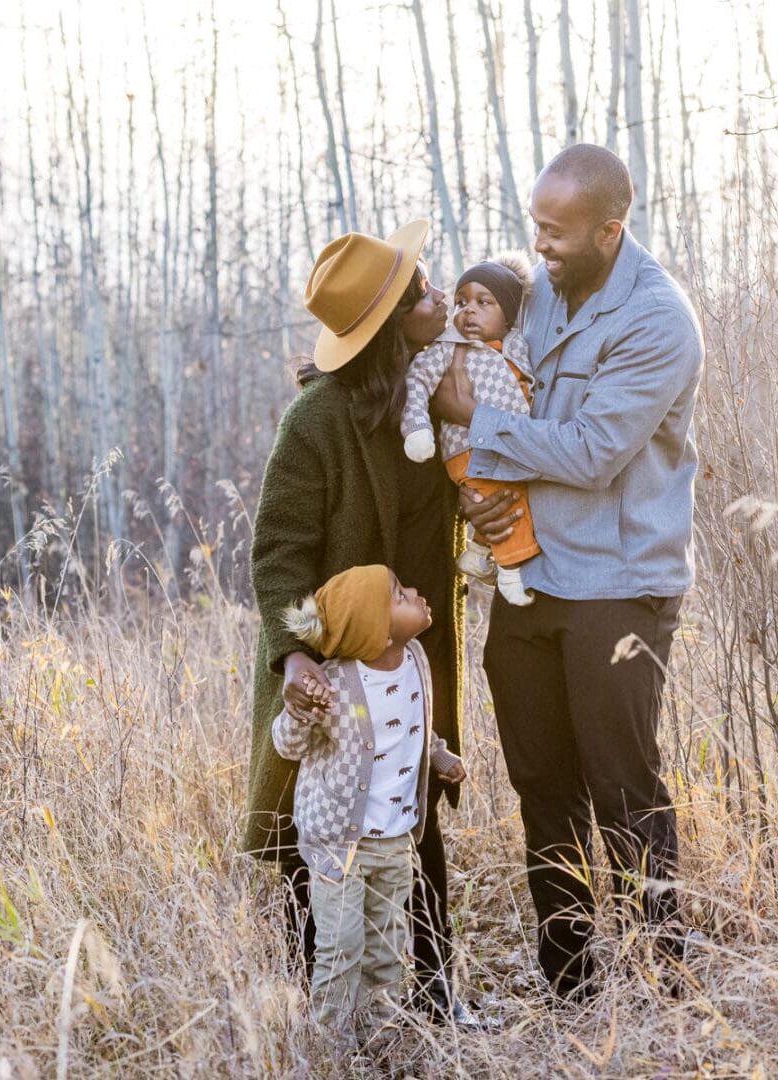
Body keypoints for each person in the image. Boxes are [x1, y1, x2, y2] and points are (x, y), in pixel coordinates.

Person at [433, 144, 705, 1000]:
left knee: (621, 788)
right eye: (536, 227)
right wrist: (482, 498)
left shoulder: (659, 322)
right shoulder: (540, 295)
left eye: (556, 232)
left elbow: (590, 453)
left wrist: (477, 425)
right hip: (531, 577)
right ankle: (573, 985)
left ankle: (661, 987)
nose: (539, 247)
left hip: (617, 587)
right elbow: (516, 394)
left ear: (610, 230)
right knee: (541, 787)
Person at [245, 222, 483, 1026]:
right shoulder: (316, 422)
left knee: (411, 821)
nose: (437, 293)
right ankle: (323, 1021)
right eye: (420, 290)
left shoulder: (434, 390)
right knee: (323, 828)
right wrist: (293, 662)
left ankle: (431, 1004)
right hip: (334, 667)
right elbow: (278, 554)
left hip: (416, 658)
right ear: (389, 323)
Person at [271, 564, 466, 1038]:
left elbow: (412, 726)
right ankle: (331, 1047)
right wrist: (302, 713)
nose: (416, 592)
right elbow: (286, 745)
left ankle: (380, 1040)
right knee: (341, 950)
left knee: (385, 948)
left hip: (397, 840)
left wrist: (439, 757)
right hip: (341, 846)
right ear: (375, 630)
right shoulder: (332, 685)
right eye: (400, 594)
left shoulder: (416, 659)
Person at [402, 253, 540, 608]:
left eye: (484, 302)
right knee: (511, 504)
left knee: (501, 497)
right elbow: (416, 380)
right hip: (468, 449)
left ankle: (478, 554)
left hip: (504, 446)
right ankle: (510, 571)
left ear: (508, 314)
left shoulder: (516, 347)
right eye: (461, 301)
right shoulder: (449, 349)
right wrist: (417, 427)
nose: (466, 310)